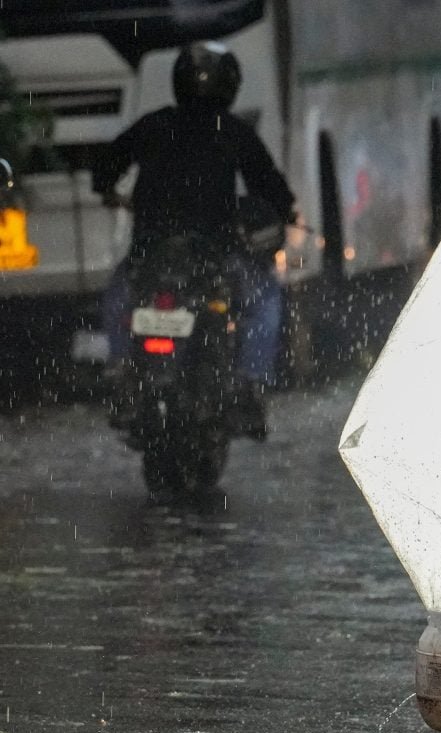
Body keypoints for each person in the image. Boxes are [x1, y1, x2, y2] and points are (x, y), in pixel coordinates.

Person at [93, 40, 296, 439]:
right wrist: (284, 211)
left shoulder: (154, 125)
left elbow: (105, 166)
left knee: (118, 296)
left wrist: (110, 191)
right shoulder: (233, 130)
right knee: (265, 299)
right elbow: (271, 187)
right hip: (214, 255)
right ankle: (250, 385)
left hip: (152, 254)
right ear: (230, 85)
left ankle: (121, 373)